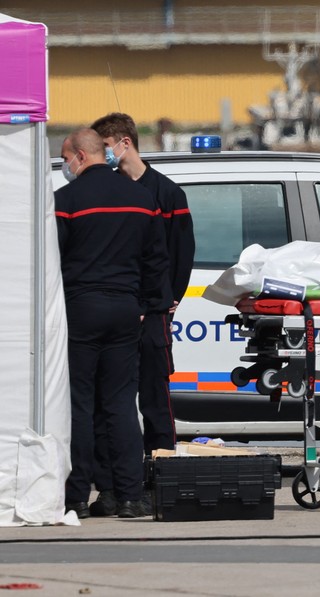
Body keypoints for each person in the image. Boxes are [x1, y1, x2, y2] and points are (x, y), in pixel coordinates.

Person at [56, 128, 170, 519]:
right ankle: (128, 495)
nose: (64, 166)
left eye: (64, 158)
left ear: (80, 156)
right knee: (121, 404)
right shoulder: (142, 198)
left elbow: (51, 263)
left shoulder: (65, 201)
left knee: (79, 405)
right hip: (125, 311)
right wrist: (148, 305)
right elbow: (157, 259)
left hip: (80, 311)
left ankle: (74, 497)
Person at [88, 112, 195, 517]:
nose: (105, 156)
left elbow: (181, 253)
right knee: (110, 401)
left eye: (107, 147)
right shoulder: (110, 192)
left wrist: (167, 301)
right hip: (118, 311)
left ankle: (160, 479)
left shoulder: (166, 194)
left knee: (154, 399)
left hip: (151, 314)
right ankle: (113, 486)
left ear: (123, 143)